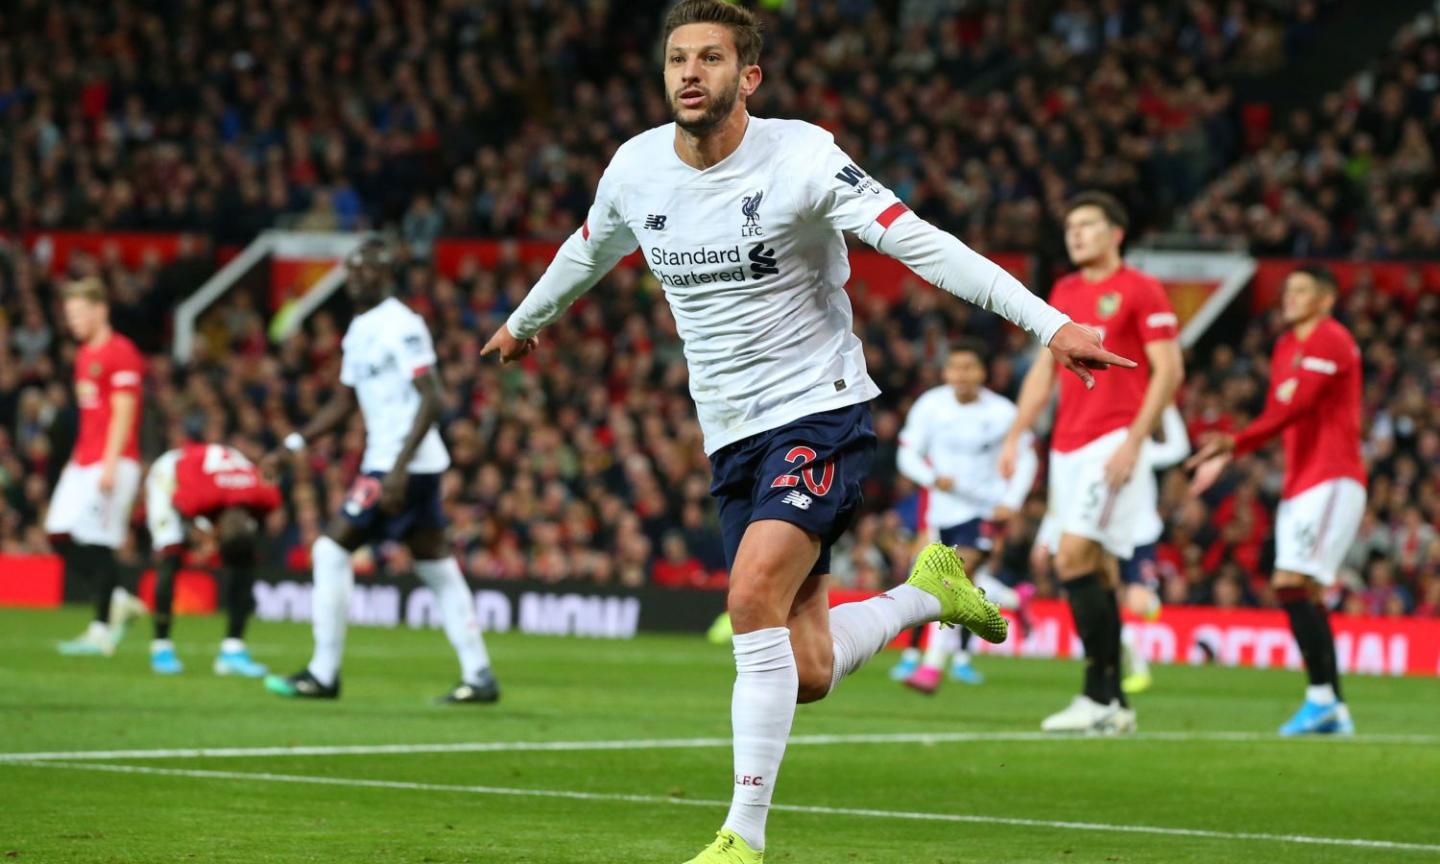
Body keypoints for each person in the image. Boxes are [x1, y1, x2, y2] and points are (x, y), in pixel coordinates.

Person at [481, 3, 1132, 860]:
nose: (689, 73)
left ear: (747, 77)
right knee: (809, 670)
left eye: (710, 58)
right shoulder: (636, 168)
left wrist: (1049, 324)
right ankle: (929, 594)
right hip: (729, 434)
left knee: (750, 594)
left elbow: (921, 244)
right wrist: (526, 323)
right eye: (677, 57)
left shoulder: (804, 157)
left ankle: (740, 838)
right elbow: (587, 248)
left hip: (820, 410)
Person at [262, 238, 499, 704]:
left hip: (400, 465)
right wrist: (293, 445)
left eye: (363, 270)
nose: (353, 277)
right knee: (437, 568)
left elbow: (433, 397)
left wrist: (396, 469)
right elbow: (343, 402)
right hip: (403, 465)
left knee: (331, 550)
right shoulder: (360, 328)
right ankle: (479, 675)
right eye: (350, 269)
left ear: (385, 275)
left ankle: (323, 673)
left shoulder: (401, 324)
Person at [1001, 191, 1184, 735]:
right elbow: (1042, 369)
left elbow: (1168, 370)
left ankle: (1094, 695)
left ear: (1116, 233)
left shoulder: (1141, 289)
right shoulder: (1065, 290)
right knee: (1096, 567)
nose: (1075, 234)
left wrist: (1134, 441)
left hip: (1111, 441)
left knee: (1074, 557)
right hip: (1065, 447)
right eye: (1070, 226)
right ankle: (1114, 703)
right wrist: (1015, 433)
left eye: (1087, 225)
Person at [1188, 264, 1364, 736]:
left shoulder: (1331, 338)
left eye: (1302, 291)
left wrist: (1233, 443)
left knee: (1292, 581)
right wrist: (1233, 449)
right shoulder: (1287, 345)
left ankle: (1322, 698)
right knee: (1299, 589)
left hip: (1332, 475)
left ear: (1326, 299)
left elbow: (1296, 408)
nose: (1289, 298)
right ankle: (1333, 707)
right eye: (1287, 290)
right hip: (1301, 481)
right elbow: (1279, 414)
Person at [893, 338, 1038, 693]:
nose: (961, 375)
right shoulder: (930, 406)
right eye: (954, 368)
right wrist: (930, 478)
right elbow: (907, 454)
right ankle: (1015, 598)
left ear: (982, 373)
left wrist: (1013, 500)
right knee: (959, 585)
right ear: (945, 372)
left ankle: (931, 668)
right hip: (942, 514)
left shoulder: (1002, 412)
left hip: (984, 510)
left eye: (968, 368)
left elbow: (1028, 457)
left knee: (951, 582)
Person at [50, 278, 149, 656]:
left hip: (113, 460)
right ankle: (119, 597)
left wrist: (110, 464)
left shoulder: (121, 352)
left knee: (97, 540)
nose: (72, 321)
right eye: (69, 314)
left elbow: (124, 411)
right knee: (57, 533)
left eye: (78, 313)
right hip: (84, 460)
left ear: (100, 310)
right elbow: (90, 416)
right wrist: (74, 461)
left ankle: (101, 629)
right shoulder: (83, 356)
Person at [144, 437, 282, 676]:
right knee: (171, 555)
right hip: (171, 475)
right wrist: (200, 535)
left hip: (219, 477)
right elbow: (182, 509)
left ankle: (233, 649)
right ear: (216, 525)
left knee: (243, 559)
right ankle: (161, 647)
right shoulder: (196, 499)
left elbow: (256, 526)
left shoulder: (264, 496)